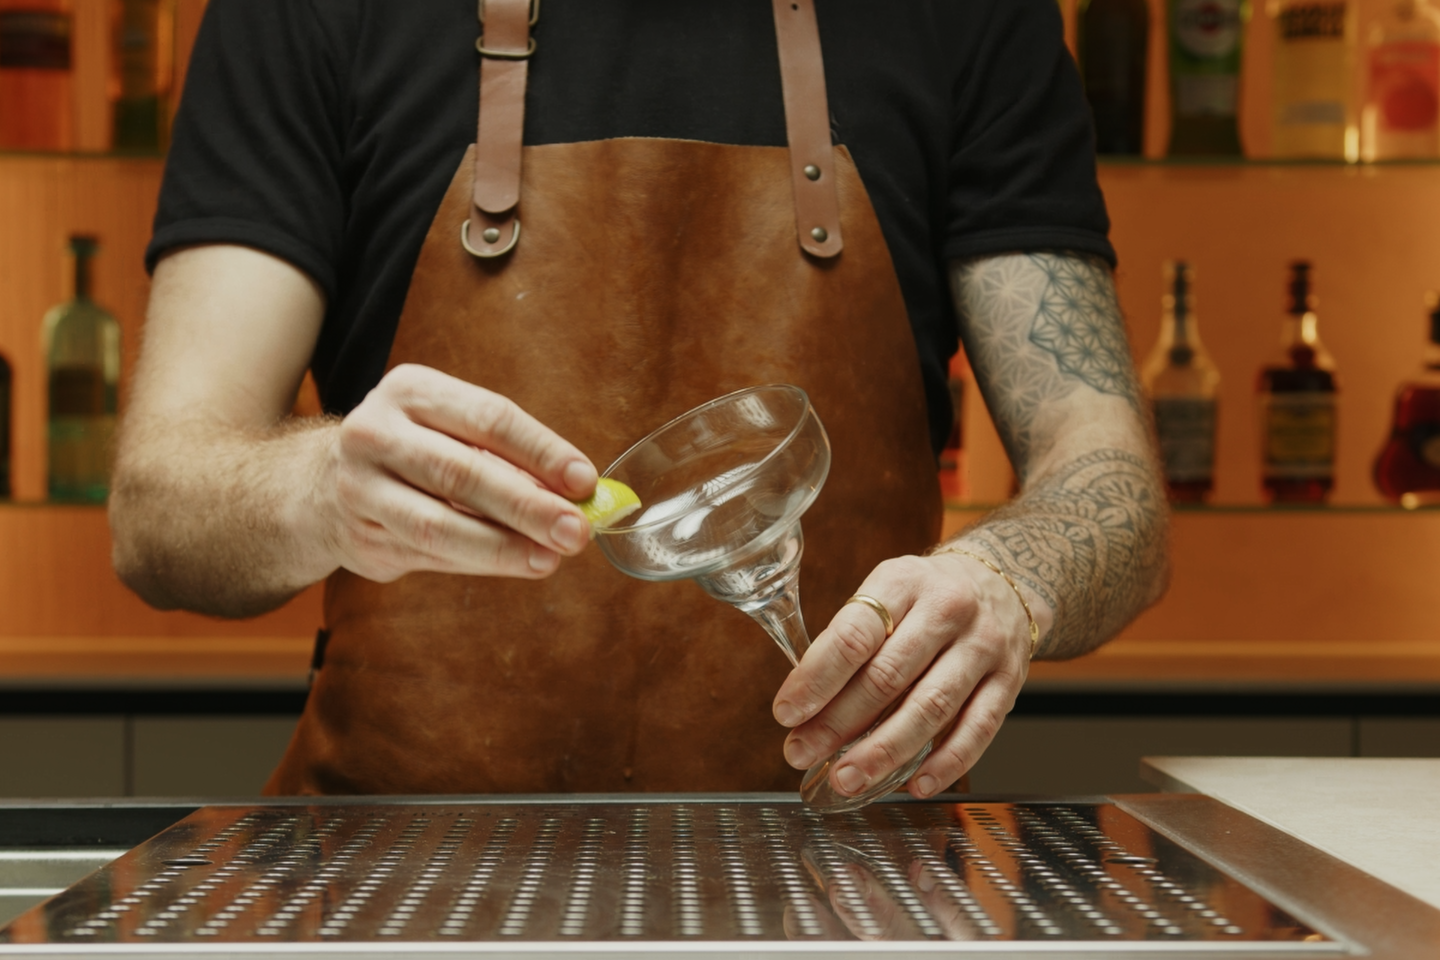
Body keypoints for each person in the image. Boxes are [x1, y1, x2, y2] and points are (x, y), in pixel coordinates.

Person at [109, 0, 1169, 800]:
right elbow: (159, 507)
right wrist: (316, 490)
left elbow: (1108, 473)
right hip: (403, 875)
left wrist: (1009, 578)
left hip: (843, 880)